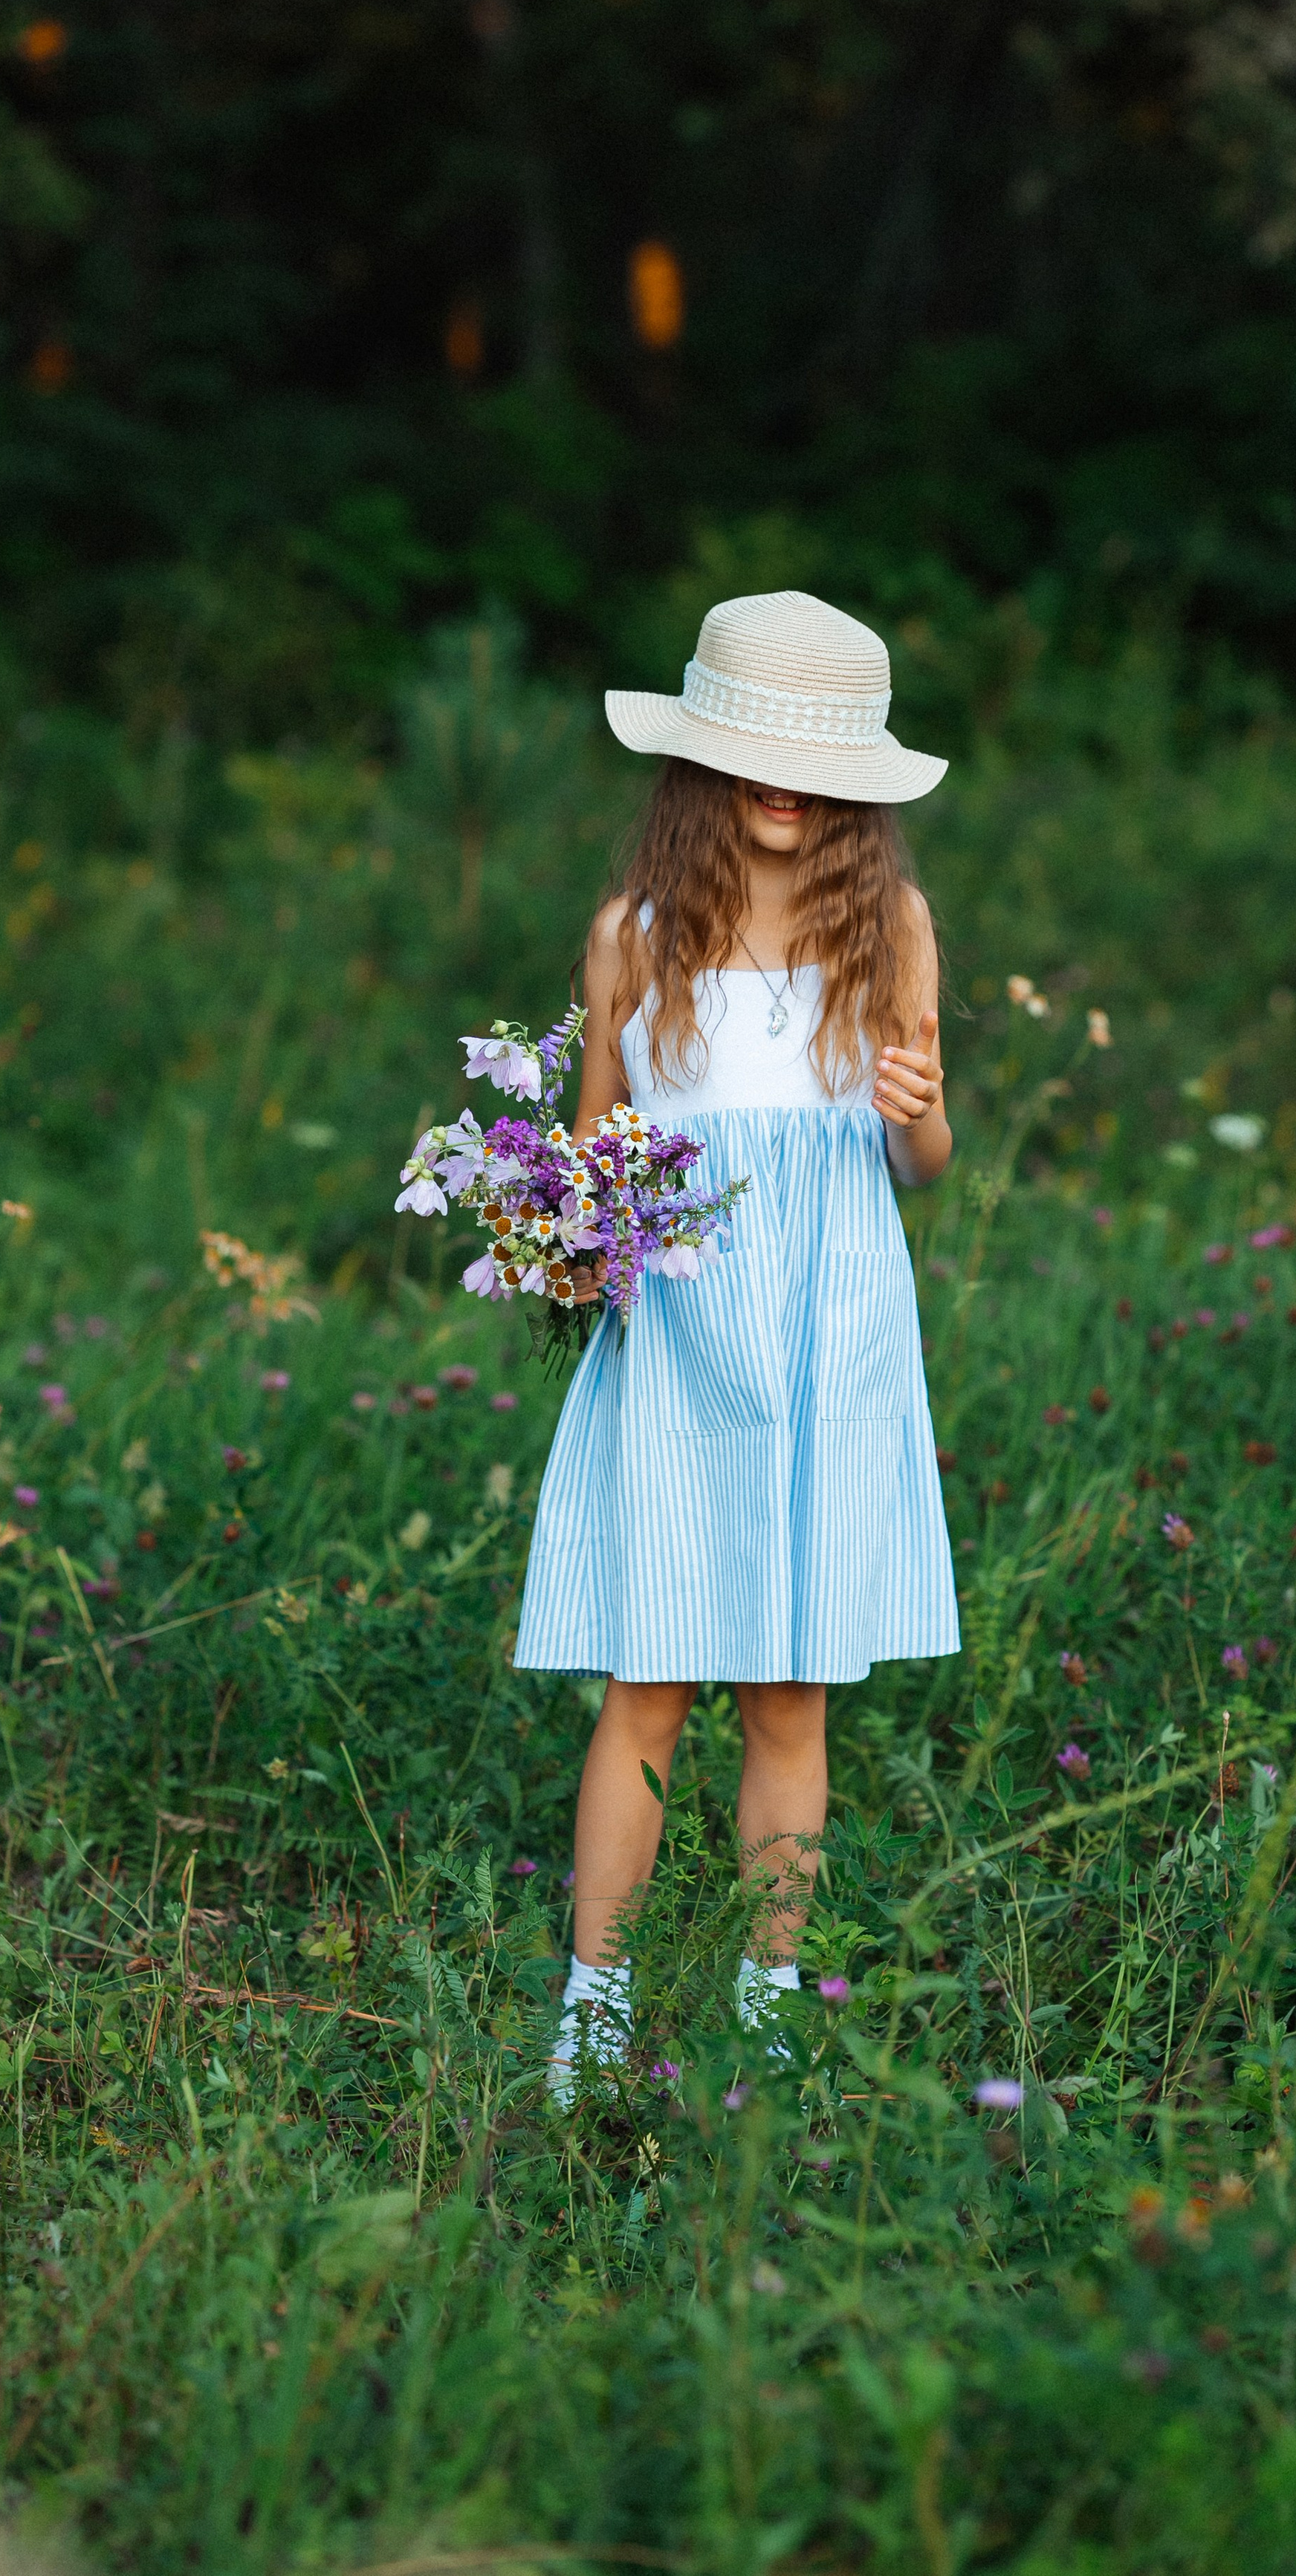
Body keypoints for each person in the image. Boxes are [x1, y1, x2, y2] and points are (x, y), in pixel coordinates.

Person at [513, 588, 959, 2096]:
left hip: (831, 1345)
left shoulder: (882, 928)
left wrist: (921, 1117)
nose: (779, 782)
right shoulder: (632, 942)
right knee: (647, 1683)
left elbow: (920, 1160)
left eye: (811, 758)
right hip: (683, 1345)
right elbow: (596, 1158)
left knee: (788, 1694)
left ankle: (768, 2009)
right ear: (698, 766)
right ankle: (592, 2007)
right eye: (749, 752)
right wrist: (561, 1248)